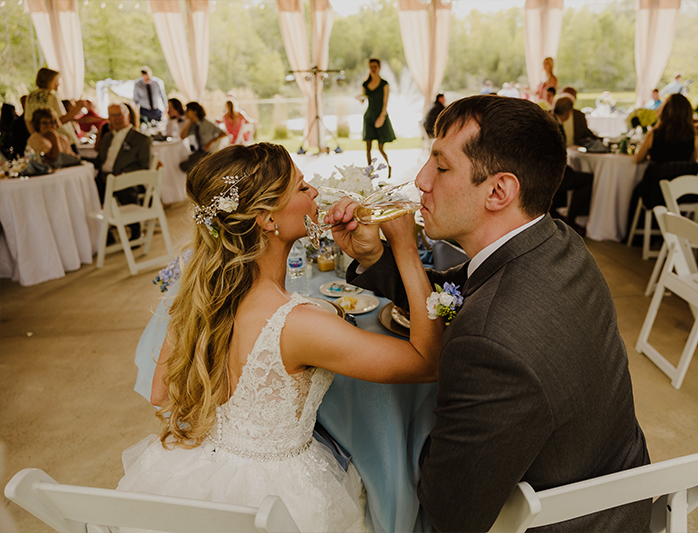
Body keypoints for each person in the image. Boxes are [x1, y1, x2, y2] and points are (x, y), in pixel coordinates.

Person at [327, 95, 651, 532]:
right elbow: (455, 293)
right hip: (620, 485)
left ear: (499, 191)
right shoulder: (555, 242)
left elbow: (450, 511)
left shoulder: (489, 342)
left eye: (441, 167)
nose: (421, 180)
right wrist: (377, 257)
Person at [116, 142, 443, 532]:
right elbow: (427, 361)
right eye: (302, 187)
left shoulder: (200, 296)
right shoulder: (296, 324)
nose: (315, 192)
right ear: (267, 219)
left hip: (198, 475)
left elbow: (161, 393)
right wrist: (404, 249)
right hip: (277, 497)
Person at [96, 103, 152, 241]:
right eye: (113, 115)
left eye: (119, 115)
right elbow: (100, 160)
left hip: (127, 178)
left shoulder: (141, 139)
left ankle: (135, 230)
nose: (116, 119)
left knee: (124, 187)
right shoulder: (107, 137)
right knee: (87, 190)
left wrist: (122, 174)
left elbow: (144, 166)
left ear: (128, 116)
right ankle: (104, 232)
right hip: (103, 177)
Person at [551, 94, 595, 234]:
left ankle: (560, 214)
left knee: (573, 172)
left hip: (548, 170)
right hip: (550, 174)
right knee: (587, 179)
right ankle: (571, 220)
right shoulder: (555, 125)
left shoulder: (550, 119)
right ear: (568, 112)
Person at [24, 67, 84, 147]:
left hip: (44, 139)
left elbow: (28, 120)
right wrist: (78, 108)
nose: (58, 84)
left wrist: (36, 136)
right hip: (60, 139)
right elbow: (60, 121)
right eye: (56, 81)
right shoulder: (51, 96)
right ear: (49, 81)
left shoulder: (31, 96)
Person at [359, 58, 396, 173]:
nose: (373, 69)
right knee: (368, 147)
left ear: (379, 68)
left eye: (375, 67)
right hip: (369, 116)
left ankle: (389, 166)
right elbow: (363, 99)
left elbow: (385, 103)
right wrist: (360, 98)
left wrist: (382, 117)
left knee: (381, 147)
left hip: (380, 116)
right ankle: (369, 171)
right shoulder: (365, 84)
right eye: (371, 67)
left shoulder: (384, 84)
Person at [179, 101, 227, 173]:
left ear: (194, 112)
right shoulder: (193, 124)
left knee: (184, 166)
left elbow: (224, 133)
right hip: (198, 152)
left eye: (187, 110)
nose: (185, 112)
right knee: (184, 162)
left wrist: (211, 142)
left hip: (208, 153)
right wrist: (190, 122)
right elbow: (182, 136)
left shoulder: (206, 123)